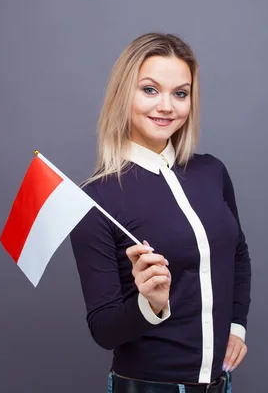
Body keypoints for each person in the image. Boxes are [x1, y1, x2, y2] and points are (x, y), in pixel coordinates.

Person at [70, 32, 252, 393]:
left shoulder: (212, 172)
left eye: (180, 93)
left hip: (219, 385)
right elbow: (104, 330)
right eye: (150, 90)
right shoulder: (96, 199)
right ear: (124, 94)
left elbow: (237, 254)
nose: (167, 106)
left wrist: (236, 325)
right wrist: (149, 303)